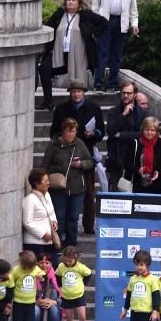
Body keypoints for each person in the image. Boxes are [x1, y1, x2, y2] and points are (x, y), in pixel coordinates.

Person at [50, 79, 105, 232]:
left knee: (88, 192)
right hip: (64, 156)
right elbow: (53, 133)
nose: (76, 94)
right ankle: (63, 226)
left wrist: (93, 134)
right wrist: (63, 139)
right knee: (63, 192)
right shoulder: (61, 109)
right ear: (70, 93)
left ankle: (88, 225)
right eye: (74, 91)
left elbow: (101, 132)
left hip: (85, 153)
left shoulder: (94, 108)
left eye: (79, 91)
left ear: (84, 93)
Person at [41, 0, 108, 106]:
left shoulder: (85, 15)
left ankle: (75, 103)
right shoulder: (59, 14)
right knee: (43, 69)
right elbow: (48, 28)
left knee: (76, 79)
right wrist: (49, 46)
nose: (70, 2)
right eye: (68, 0)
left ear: (79, 3)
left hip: (78, 55)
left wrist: (93, 34)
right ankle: (48, 101)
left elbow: (104, 23)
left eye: (73, 0)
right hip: (59, 53)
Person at [41, 118, 93, 248]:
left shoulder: (80, 144)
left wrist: (81, 164)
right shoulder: (53, 145)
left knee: (73, 218)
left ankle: (71, 246)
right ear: (63, 132)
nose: (71, 135)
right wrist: (56, 171)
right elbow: (44, 165)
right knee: (59, 217)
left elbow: (90, 161)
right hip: (58, 188)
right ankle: (58, 244)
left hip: (77, 189)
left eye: (73, 132)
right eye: (68, 132)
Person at [90, 0, 139, 92]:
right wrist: (96, 21)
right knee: (103, 52)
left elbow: (133, 7)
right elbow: (95, 3)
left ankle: (112, 83)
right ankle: (98, 82)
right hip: (105, 20)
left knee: (116, 55)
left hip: (121, 21)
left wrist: (134, 24)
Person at [119, 251, 161, 321]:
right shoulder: (133, 279)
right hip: (135, 311)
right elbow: (128, 296)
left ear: (147, 265)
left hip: (146, 312)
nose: (139, 267)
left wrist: (155, 311)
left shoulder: (152, 279)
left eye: (141, 265)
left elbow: (156, 296)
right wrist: (125, 309)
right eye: (137, 264)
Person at [105, 80, 147, 191]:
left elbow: (142, 134)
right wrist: (123, 114)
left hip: (134, 158)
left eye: (128, 93)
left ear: (135, 94)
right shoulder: (113, 112)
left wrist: (122, 135)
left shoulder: (142, 113)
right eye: (123, 93)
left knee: (134, 195)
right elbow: (110, 131)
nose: (125, 95)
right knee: (116, 194)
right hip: (116, 157)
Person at [6, 251, 46, 321]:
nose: (31, 270)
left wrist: (41, 278)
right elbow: (10, 285)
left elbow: (44, 276)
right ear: (23, 264)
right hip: (18, 301)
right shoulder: (16, 270)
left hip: (30, 302)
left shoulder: (35, 269)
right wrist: (9, 302)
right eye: (29, 268)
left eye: (32, 268)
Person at [122, 116, 161, 194]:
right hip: (136, 185)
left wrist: (158, 172)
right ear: (143, 130)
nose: (149, 132)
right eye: (147, 130)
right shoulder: (135, 143)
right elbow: (127, 163)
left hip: (156, 186)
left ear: (157, 132)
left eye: (152, 130)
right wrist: (138, 170)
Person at [56, 246, 92, 321]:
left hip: (79, 295)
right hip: (66, 296)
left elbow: (88, 274)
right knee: (69, 319)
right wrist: (60, 287)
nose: (68, 263)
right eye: (66, 260)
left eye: (70, 261)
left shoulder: (80, 267)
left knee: (82, 317)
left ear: (76, 258)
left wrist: (84, 285)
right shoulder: (61, 266)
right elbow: (57, 275)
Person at [22, 167, 58, 260]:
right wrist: (43, 234)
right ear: (36, 183)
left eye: (48, 180)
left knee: (52, 267)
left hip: (49, 241)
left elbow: (51, 212)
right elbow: (27, 222)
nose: (48, 183)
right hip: (35, 243)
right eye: (45, 181)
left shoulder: (47, 195)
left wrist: (54, 221)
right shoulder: (30, 199)